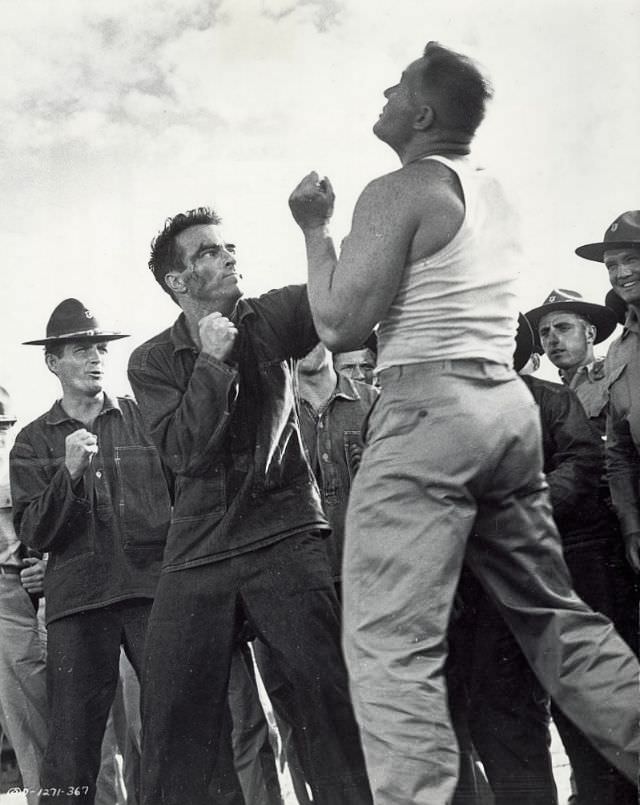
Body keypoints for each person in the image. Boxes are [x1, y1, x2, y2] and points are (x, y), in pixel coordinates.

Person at [288, 41, 640, 804]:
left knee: (388, 648)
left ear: (420, 115)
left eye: (399, 85)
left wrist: (315, 229)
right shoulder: (492, 191)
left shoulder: (397, 188)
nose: (383, 90)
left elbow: (341, 323)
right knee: (558, 622)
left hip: (425, 408)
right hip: (504, 411)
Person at [127, 207, 372, 805]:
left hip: (283, 534)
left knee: (328, 707)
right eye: (210, 251)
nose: (230, 255)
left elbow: (342, 306)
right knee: (172, 725)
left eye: (229, 245)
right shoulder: (152, 361)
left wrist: (316, 230)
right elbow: (186, 454)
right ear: (178, 282)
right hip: (198, 552)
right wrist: (212, 362)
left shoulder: (275, 315)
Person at [10, 299, 172, 805]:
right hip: (78, 605)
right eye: (82, 350)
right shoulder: (32, 442)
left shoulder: (145, 419)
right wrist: (70, 473)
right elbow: (35, 531)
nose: (96, 358)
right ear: (53, 362)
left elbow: (182, 497)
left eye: (101, 348)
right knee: (72, 747)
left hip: (151, 595)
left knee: (177, 726)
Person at [575, 210, 640, 573]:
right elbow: (619, 451)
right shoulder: (619, 350)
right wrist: (631, 525)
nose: (621, 273)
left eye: (632, 259)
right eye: (612, 265)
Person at [0, 386, 48, 805]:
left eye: (3, 427)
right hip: (8, 598)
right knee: (29, 724)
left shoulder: (25, 458)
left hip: (40, 590)